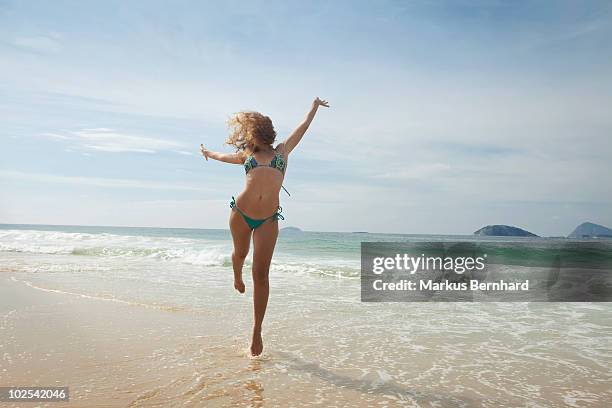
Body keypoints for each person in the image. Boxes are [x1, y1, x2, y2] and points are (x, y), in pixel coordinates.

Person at [200, 97, 330, 355]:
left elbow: (301, 129)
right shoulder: (247, 155)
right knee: (241, 254)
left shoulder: (282, 152)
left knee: (261, 275)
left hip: (268, 221)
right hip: (240, 213)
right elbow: (221, 156)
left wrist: (313, 107)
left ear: (260, 133)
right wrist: (207, 153)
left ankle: (256, 331)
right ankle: (236, 274)